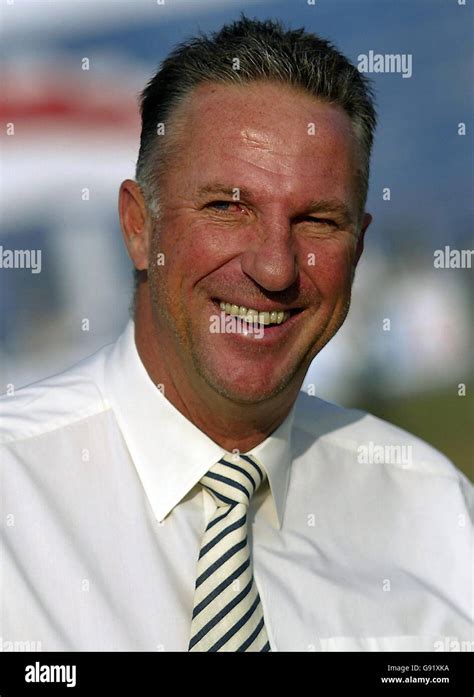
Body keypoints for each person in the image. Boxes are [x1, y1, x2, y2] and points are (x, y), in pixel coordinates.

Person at [1, 16, 471, 653]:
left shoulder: (438, 517)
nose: (274, 267)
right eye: (227, 207)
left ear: (358, 247)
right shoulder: (15, 494)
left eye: (317, 221)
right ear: (139, 227)